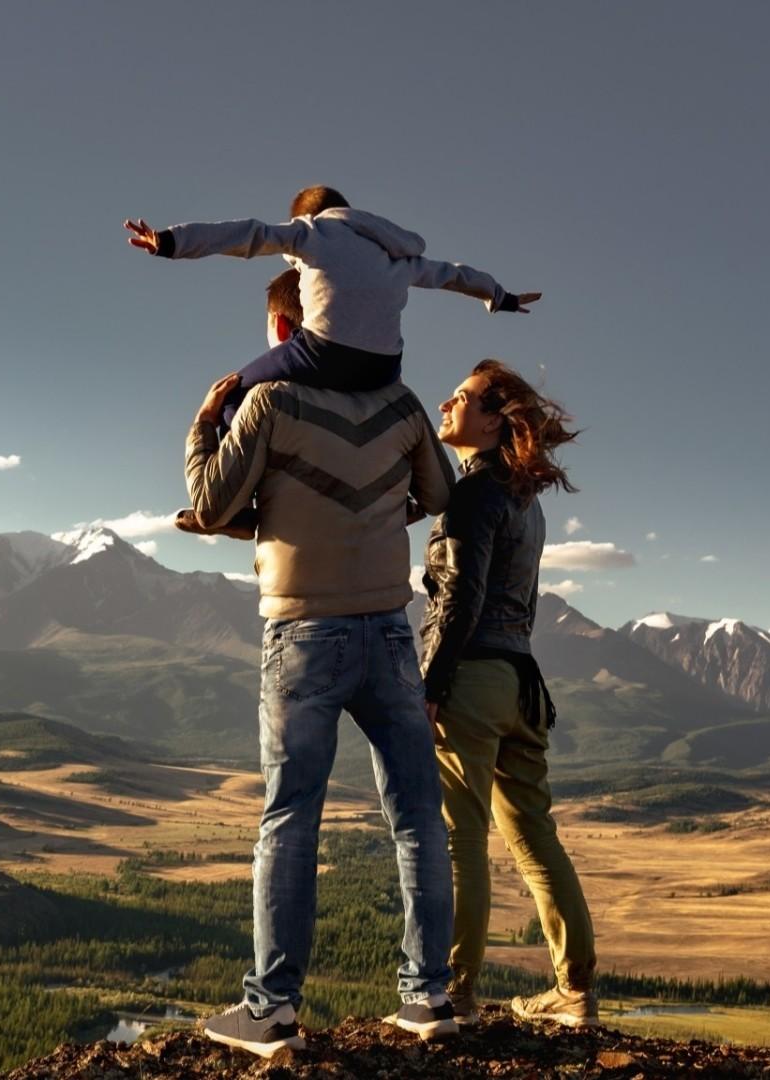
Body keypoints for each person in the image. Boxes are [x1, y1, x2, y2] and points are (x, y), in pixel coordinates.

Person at [182, 286, 459, 1057]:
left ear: (283, 323)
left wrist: (204, 424)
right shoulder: (400, 403)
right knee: (415, 815)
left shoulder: (269, 400)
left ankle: (271, 1009)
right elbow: (441, 493)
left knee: (290, 815)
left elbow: (209, 504)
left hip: (303, 631)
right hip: (389, 633)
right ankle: (428, 995)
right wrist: (372, 506)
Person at [128, 184, 541, 539]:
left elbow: (246, 236)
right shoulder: (392, 252)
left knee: (233, 393)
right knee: (394, 417)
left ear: (308, 215)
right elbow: (452, 274)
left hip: (324, 351)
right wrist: (498, 296)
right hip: (384, 368)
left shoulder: (311, 232)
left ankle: (238, 509)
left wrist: (169, 242)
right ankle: (407, 503)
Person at [419, 359, 598, 1028]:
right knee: (533, 836)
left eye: (460, 398)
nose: (445, 402)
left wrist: (431, 685)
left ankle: (453, 994)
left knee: (457, 836)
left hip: (472, 678)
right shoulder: (527, 499)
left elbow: (460, 597)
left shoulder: (472, 495)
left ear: (493, 422)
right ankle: (574, 990)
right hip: (523, 683)